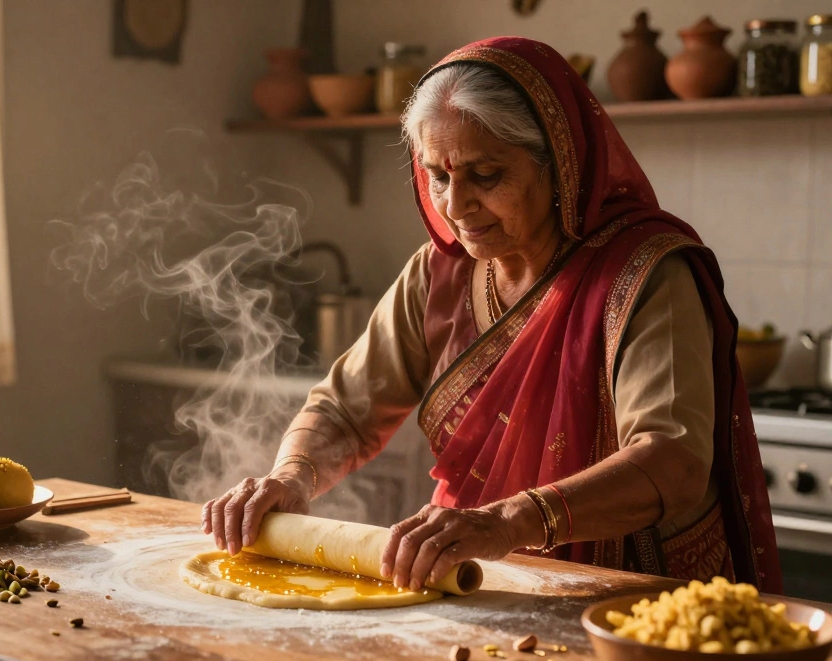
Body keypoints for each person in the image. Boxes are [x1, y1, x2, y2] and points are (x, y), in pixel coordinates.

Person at [202, 37, 781, 594]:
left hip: (632, 597)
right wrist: (291, 476)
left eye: (486, 176)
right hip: (476, 576)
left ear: (559, 165)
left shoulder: (645, 276)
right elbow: (346, 410)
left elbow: (671, 462)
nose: (455, 206)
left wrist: (505, 522)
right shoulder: (440, 273)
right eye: (437, 175)